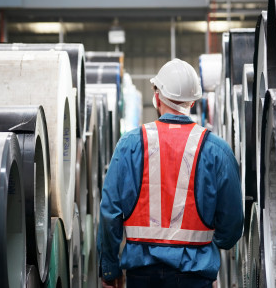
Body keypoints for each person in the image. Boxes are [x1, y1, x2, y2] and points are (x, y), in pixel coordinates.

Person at [98, 58, 243, 288]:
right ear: (193, 102)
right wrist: (208, 247)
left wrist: (110, 269)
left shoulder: (129, 145)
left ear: (157, 98)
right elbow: (232, 226)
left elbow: (110, 213)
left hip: (142, 276)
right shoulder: (218, 151)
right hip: (195, 278)